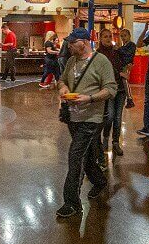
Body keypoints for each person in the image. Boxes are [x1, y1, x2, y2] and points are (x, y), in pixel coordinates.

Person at [56, 28, 118, 219]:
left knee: (75, 157)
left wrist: (90, 98)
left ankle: (71, 202)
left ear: (83, 42)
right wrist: (63, 88)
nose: (69, 45)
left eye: (72, 42)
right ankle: (99, 182)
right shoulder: (71, 61)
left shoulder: (101, 61)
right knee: (87, 155)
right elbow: (61, 81)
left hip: (91, 119)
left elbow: (111, 88)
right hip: (72, 117)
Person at [97, 28, 127, 158]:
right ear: (100, 39)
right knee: (109, 116)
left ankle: (115, 142)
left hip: (120, 88)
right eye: (105, 37)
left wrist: (126, 72)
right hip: (108, 90)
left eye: (110, 36)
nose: (108, 39)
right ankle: (105, 138)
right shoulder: (98, 55)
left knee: (118, 118)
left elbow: (125, 65)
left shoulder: (117, 52)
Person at [117, 31, 137, 109]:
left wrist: (119, 50)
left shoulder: (131, 45)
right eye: (121, 36)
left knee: (124, 79)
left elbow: (128, 55)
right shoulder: (123, 46)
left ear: (129, 36)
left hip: (126, 64)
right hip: (123, 65)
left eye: (125, 35)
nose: (123, 38)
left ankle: (129, 98)